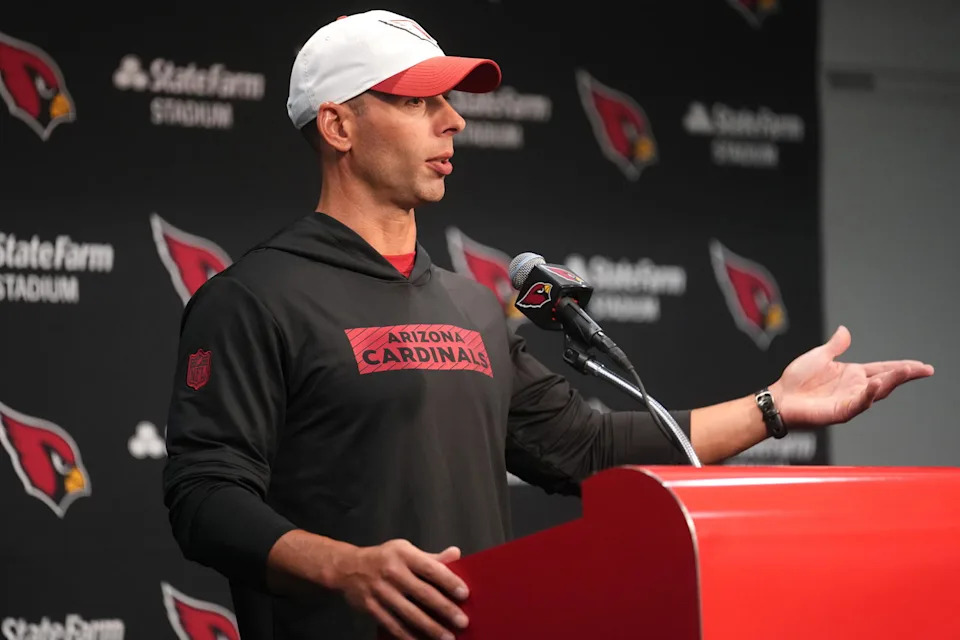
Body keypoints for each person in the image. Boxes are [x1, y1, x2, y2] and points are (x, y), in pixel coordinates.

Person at [161, 9, 935, 640]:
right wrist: (346, 567)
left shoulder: (469, 306)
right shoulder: (253, 298)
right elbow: (205, 499)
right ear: (339, 126)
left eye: (452, 101)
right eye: (419, 101)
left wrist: (774, 408)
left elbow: (585, 450)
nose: (454, 121)